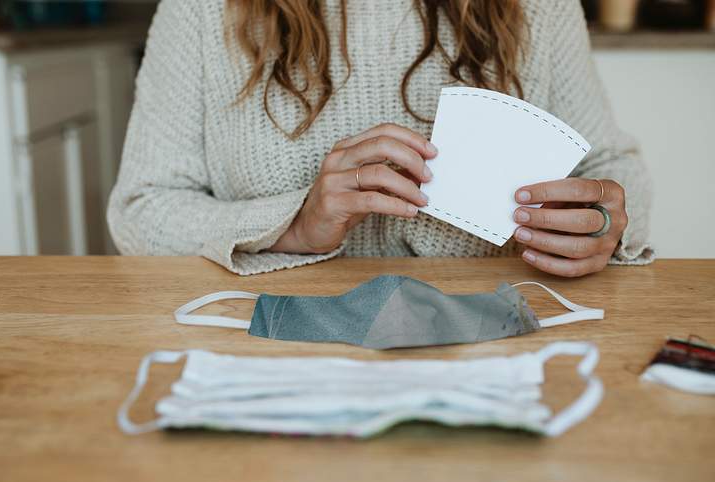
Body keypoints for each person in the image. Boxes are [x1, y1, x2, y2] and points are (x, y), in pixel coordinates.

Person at [108, 0, 652, 277]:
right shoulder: (202, 11)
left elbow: (608, 164)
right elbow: (140, 209)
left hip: (497, 335)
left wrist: (604, 220)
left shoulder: (539, 8)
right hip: (266, 344)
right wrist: (294, 226)